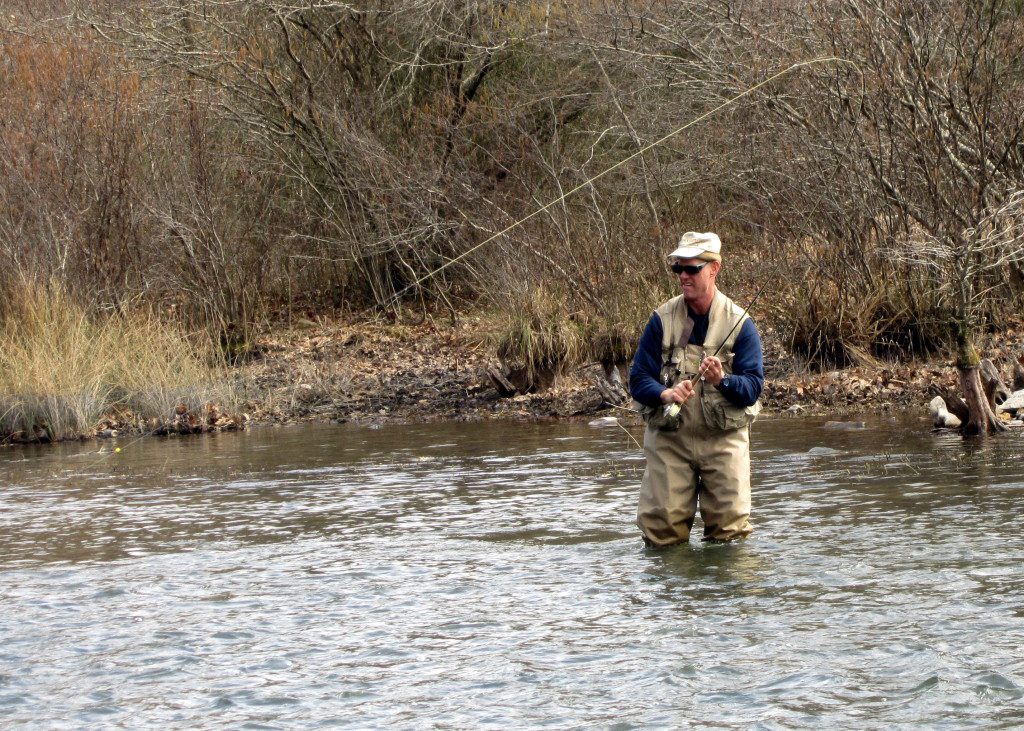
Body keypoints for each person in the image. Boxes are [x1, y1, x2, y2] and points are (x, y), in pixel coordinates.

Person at [629, 231, 764, 546]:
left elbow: (753, 386)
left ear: (714, 268)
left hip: (723, 441)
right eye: (679, 269)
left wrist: (723, 381)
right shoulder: (660, 320)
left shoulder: (741, 324)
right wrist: (665, 394)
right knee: (662, 535)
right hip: (670, 442)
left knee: (730, 538)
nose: (683, 276)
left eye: (692, 269)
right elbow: (638, 380)